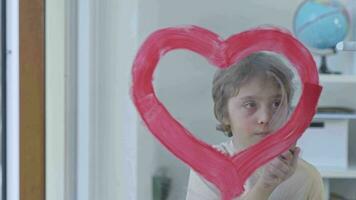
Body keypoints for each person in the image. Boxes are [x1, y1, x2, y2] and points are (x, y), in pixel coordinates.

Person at [185, 52, 325, 200]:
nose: (265, 118)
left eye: (276, 104)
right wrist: (265, 185)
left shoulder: (307, 178)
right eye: (250, 104)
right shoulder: (208, 166)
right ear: (224, 114)